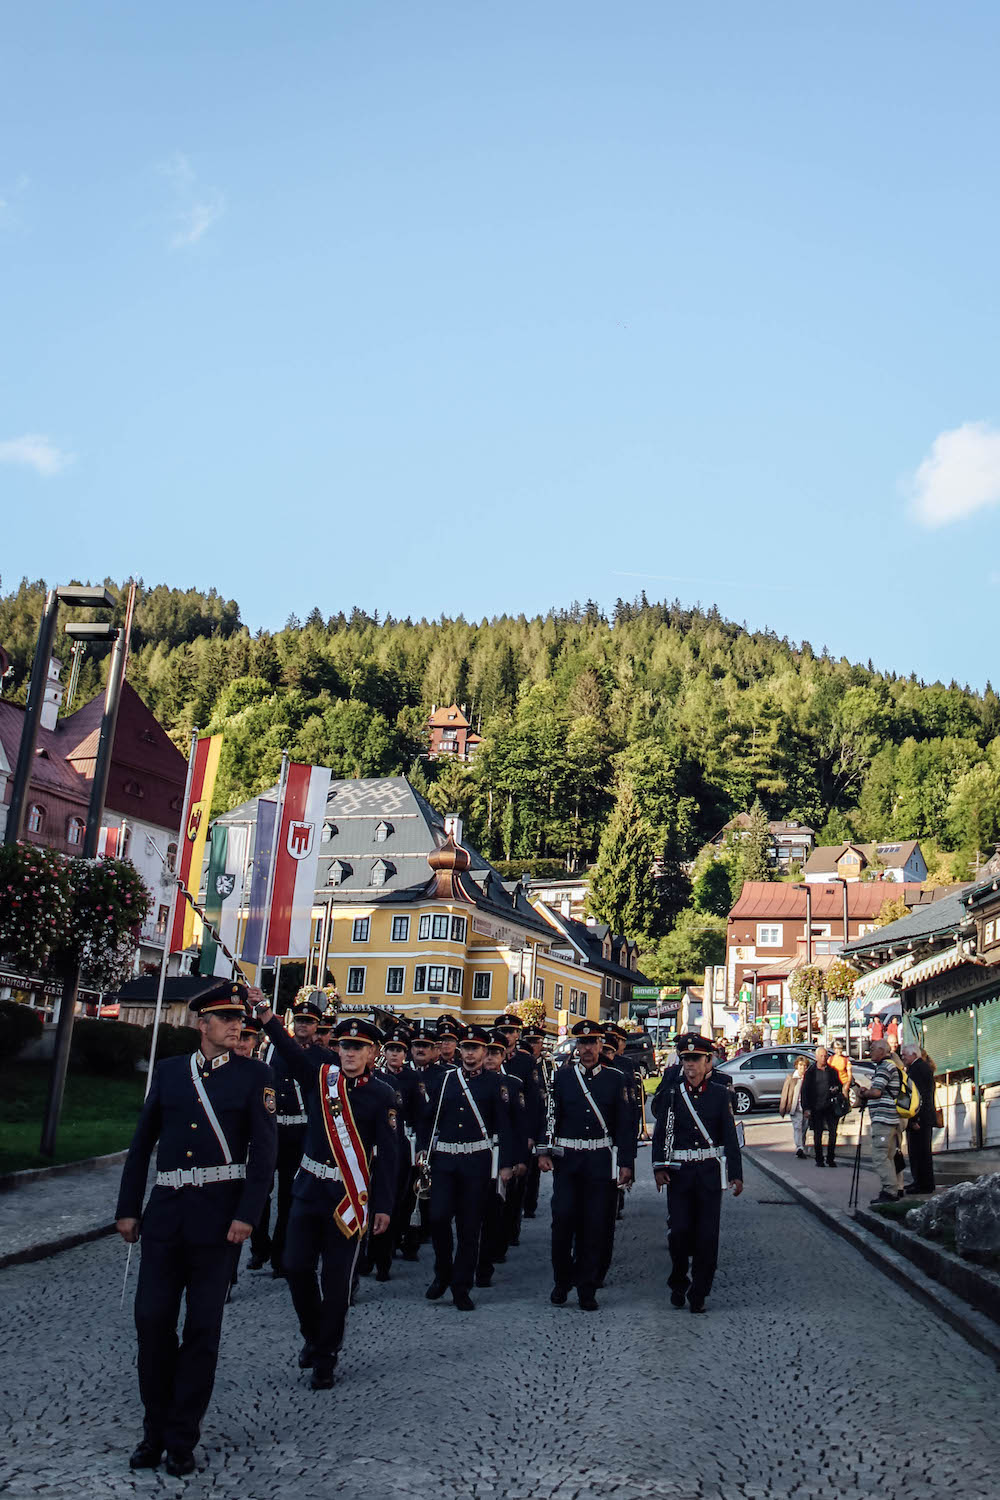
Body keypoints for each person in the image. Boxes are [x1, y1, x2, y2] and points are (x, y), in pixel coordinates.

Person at [115, 981, 277, 1476]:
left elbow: (265, 1154)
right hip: (165, 1216)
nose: (237, 1026)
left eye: (240, 1020)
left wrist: (247, 1215)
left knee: (203, 1331)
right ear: (200, 1023)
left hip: (218, 1223)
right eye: (226, 1019)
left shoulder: (255, 1076)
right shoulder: (168, 1073)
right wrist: (129, 1207)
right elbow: (142, 1144)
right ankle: (153, 1431)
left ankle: (183, 1438)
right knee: (152, 1324)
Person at [253, 997, 399, 1389]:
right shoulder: (321, 1079)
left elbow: (388, 1156)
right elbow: (287, 1049)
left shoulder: (383, 1095)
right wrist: (267, 1017)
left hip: (348, 1198)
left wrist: (383, 1205)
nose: (350, 1053)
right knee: (296, 1267)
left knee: (336, 1284)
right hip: (308, 1189)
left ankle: (326, 1357)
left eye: (359, 1048)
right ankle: (314, 1335)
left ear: (372, 1053)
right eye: (345, 1046)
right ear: (337, 1049)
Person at [537, 1019, 635, 1312]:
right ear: (576, 1047)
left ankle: (587, 1287)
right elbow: (551, 1116)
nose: (588, 1048)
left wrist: (626, 1163)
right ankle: (561, 1280)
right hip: (568, 1160)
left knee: (594, 1226)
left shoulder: (616, 1078)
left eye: (592, 1042)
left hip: (600, 1160)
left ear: (601, 1044)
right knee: (562, 1221)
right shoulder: (563, 1078)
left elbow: (626, 1125)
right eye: (582, 1043)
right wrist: (544, 1150)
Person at [417, 1023, 514, 1311]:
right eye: (466, 1048)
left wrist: (505, 1164)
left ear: (486, 1052)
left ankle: (461, 1286)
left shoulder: (496, 1084)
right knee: (437, 1218)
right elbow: (427, 1117)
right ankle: (442, 1272)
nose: (470, 1054)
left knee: (470, 1226)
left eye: (476, 1049)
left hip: (477, 1161)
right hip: (445, 1160)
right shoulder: (445, 1080)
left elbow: (504, 1127)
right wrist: (423, 1146)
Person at [651, 1032, 743, 1314]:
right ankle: (679, 1279)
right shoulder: (671, 1092)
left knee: (707, 1236)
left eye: (696, 1059)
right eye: (686, 1059)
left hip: (708, 1173)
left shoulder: (719, 1094)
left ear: (708, 1062)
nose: (690, 1064)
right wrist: (659, 1166)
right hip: (679, 1172)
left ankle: (699, 1292)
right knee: (678, 1232)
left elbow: (729, 1134)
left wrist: (736, 1173)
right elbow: (661, 1133)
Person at [257, 993, 324, 1277]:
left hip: (300, 1131)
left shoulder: (322, 1057)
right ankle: (259, 1246)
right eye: (300, 1021)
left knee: (288, 1196)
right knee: (259, 1191)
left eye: (309, 1022)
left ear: (317, 1027)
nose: (303, 1026)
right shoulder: (272, 1050)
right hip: (272, 1129)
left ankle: (280, 1255)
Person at [476, 1028, 530, 1287]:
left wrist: (518, 1159)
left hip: (500, 1153)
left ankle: (488, 1260)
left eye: (496, 1052)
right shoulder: (466, 1080)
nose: (490, 1057)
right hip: (473, 1154)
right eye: (488, 1051)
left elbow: (519, 1125)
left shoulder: (513, 1084)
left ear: (504, 1054)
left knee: (494, 1210)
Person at [372, 1021, 424, 1279]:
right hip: (374, 1147)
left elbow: (419, 1115)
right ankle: (367, 1257)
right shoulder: (376, 1076)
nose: (394, 1054)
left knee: (394, 1199)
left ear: (406, 1053)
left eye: (399, 1050)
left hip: (401, 1145)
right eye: (390, 1049)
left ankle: (385, 1257)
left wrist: (420, 1147)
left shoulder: (412, 1078)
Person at [855, 1038, 904, 1204]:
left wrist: (864, 1093)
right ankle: (894, 1188)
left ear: (882, 1051)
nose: (870, 1052)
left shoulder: (885, 1067)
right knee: (888, 1155)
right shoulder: (889, 1066)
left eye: (873, 1048)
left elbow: (876, 1092)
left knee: (879, 1155)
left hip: (884, 1118)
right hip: (890, 1118)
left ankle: (890, 1190)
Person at [901, 1042, 937, 1195]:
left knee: (920, 1152)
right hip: (921, 1118)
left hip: (920, 1119)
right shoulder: (919, 1068)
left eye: (904, 1055)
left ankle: (923, 1184)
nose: (902, 1057)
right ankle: (919, 1181)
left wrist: (915, 1119)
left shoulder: (918, 1069)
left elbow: (919, 1097)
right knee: (917, 1152)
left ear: (913, 1055)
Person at [800, 1046, 845, 1168]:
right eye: (821, 1056)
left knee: (833, 1133)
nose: (824, 1058)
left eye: (825, 1056)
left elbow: (840, 1085)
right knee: (818, 1134)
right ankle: (819, 1159)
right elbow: (805, 1091)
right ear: (816, 1057)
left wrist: (836, 1088)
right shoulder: (811, 1072)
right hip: (816, 1107)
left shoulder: (832, 1071)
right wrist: (806, 1108)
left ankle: (830, 1158)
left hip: (830, 1107)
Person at [779, 1055, 810, 1158]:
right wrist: (783, 1108)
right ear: (796, 1066)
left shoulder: (809, 1078)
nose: (803, 1068)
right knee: (797, 1127)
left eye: (805, 1066)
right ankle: (799, 1147)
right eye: (800, 1065)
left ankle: (802, 1146)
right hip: (795, 1107)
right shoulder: (791, 1077)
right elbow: (785, 1093)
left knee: (804, 1128)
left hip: (806, 1108)